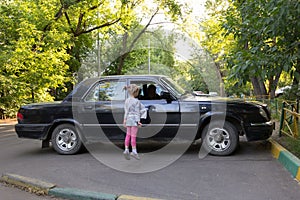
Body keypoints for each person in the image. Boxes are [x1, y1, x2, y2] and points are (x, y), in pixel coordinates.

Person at [123, 84, 146, 160]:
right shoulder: (136, 101)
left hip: (128, 119)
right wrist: (138, 121)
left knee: (128, 135)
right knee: (133, 136)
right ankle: (134, 151)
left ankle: (126, 149)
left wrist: (125, 120)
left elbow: (126, 111)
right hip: (134, 120)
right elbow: (137, 112)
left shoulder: (126, 101)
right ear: (135, 92)